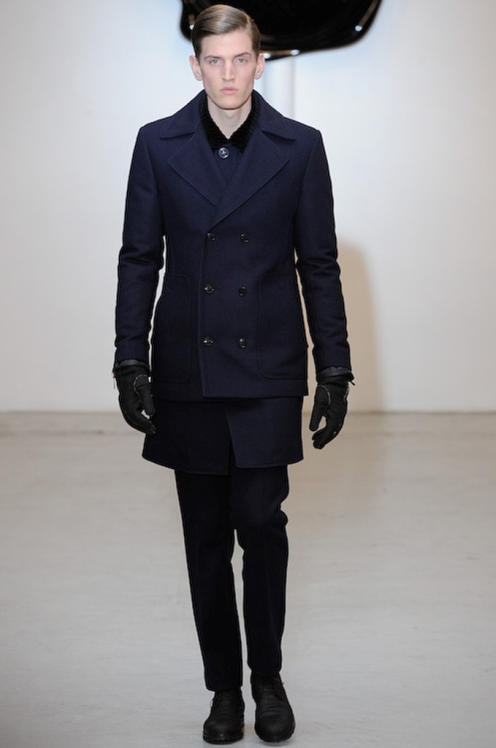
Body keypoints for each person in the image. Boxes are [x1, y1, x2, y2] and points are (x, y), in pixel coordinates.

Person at [114, 5, 353, 744]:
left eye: (240, 59)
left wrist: (334, 367)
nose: (227, 74)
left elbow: (318, 264)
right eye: (213, 60)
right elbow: (139, 259)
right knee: (205, 535)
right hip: (188, 365)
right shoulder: (157, 144)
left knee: (261, 523)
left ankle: (267, 677)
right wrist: (128, 358)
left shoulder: (300, 147)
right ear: (196, 66)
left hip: (267, 365)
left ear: (259, 62)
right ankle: (223, 689)